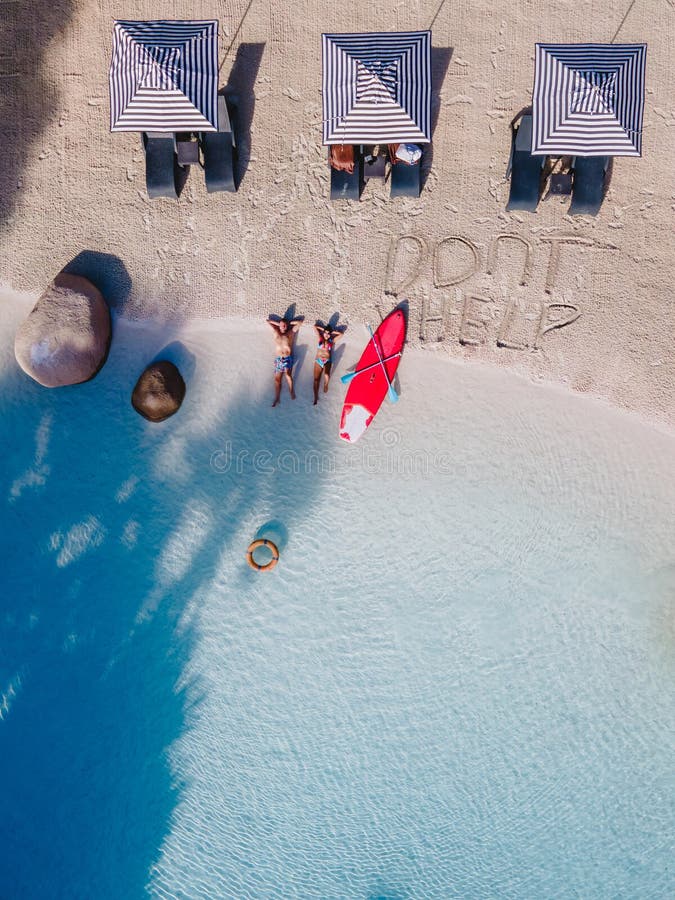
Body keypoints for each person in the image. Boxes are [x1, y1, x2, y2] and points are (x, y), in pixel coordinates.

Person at [267, 317, 302, 407]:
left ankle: (291, 390)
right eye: (282, 325)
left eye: (285, 325)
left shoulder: (290, 333)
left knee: (287, 375)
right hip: (279, 359)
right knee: (277, 380)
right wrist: (279, 324)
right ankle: (277, 397)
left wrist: (289, 323)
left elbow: (299, 323)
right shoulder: (276, 332)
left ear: (287, 326)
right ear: (279, 326)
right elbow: (268, 321)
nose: (283, 326)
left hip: (287, 358)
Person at [313, 324, 345, 405]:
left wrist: (331, 332)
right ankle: (315, 397)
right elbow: (314, 327)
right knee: (316, 380)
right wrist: (324, 330)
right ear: (323, 333)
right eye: (325, 333)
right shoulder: (320, 339)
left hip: (327, 360)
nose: (326, 335)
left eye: (328, 334)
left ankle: (326, 384)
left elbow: (341, 334)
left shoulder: (332, 341)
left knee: (326, 375)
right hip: (319, 360)